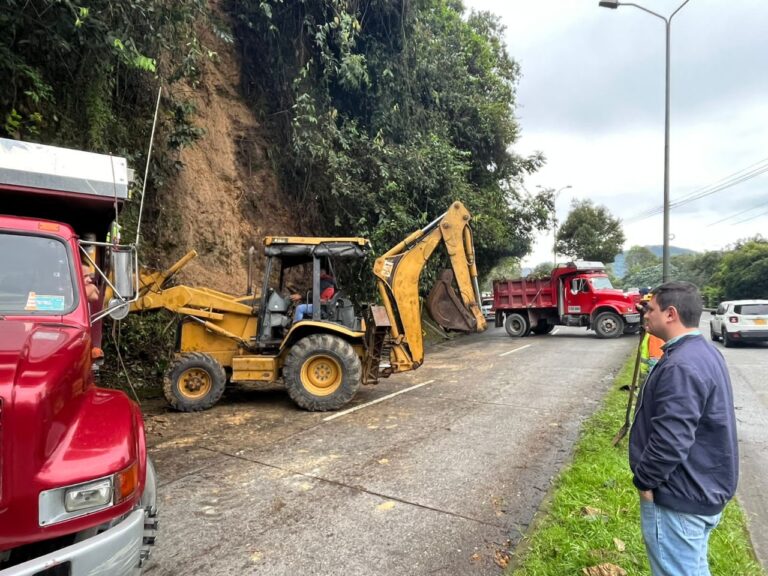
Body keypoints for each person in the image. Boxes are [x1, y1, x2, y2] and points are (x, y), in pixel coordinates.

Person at [629, 281, 738, 576]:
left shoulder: (681, 366)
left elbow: (671, 440)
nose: (645, 315)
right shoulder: (704, 352)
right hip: (702, 487)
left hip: (679, 498)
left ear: (670, 314)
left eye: (650, 309)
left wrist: (644, 481)